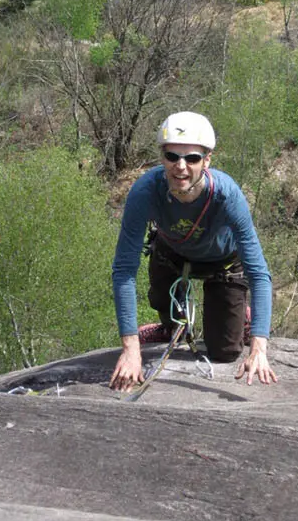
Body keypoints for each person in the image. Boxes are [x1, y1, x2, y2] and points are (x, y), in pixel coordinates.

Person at [110, 111, 277, 391]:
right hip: (172, 254)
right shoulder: (145, 192)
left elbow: (258, 273)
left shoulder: (227, 195)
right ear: (162, 157)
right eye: (172, 157)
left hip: (222, 263)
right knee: (172, 332)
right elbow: (124, 269)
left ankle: (243, 318)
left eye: (192, 158)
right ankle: (169, 325)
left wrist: (259, 348)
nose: (181, 167)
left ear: (207, 160)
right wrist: (130, 348)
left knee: (224, 351)